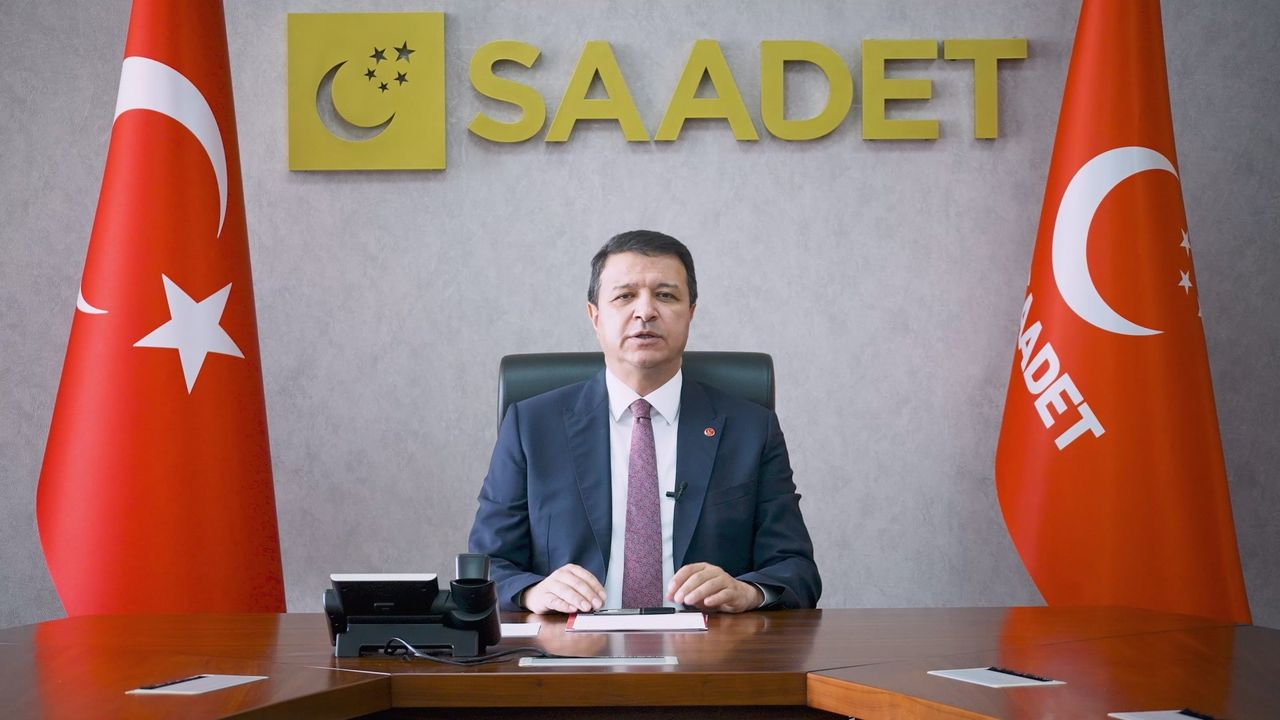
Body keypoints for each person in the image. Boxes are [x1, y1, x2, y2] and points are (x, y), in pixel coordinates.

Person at [468, 230, 820, 614]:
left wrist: (747, 592)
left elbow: (796, 569)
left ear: (691, 313)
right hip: (572, 644)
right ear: (595, 316)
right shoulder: (531, 427)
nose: (645, 312)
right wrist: (532, 593)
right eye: (625, 296)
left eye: (665, 296)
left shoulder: (751, 429)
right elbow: (487, 565)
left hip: (710, 644)